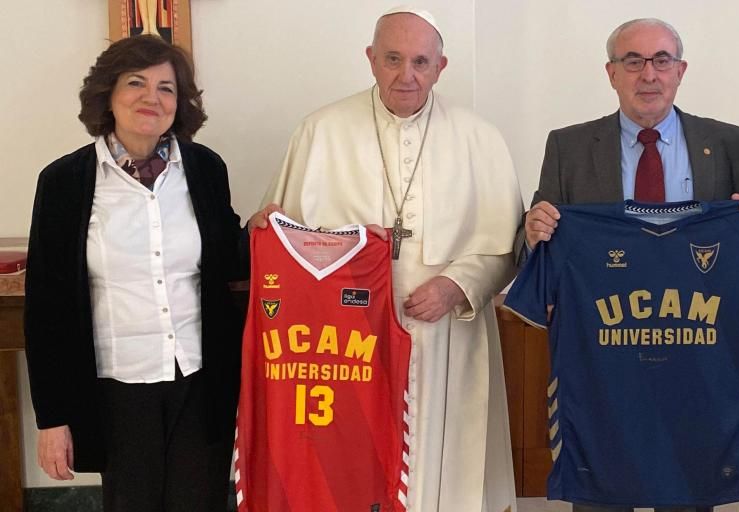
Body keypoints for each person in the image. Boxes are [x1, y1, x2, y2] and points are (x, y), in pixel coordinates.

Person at [248, 7, 522, 512]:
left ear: (441, 66)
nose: (407, 75)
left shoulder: (478, 136)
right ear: (371, 60)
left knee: (441, 474)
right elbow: (278, 239)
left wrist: (456, 286)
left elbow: (505, 245)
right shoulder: (320, 130)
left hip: (442, 335)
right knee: (349, 469)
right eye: (393, 59)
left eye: (421, 61)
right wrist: (265, 228)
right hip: (345, 344)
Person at [519, 18, 739, 512]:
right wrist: (533, 232)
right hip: (606, 363)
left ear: (680, 71)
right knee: (602, 495)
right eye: (633, 61)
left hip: (695, 359)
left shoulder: (730, 144)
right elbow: (533, 247)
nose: (649, 74)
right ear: (611, 73)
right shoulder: (570, 146)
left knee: (688, 493)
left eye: (662, 60)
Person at [23, 35, 245, 512]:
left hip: (199, 378)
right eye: (136, 83)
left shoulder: (205, 169)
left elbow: (227, 259)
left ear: (179, 102)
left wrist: (273, 232)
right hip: (117, 387)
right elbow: (47, 307)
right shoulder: (64, 182)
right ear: (108, 93)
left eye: (166, 88)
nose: (152, 98)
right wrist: (52, 418)